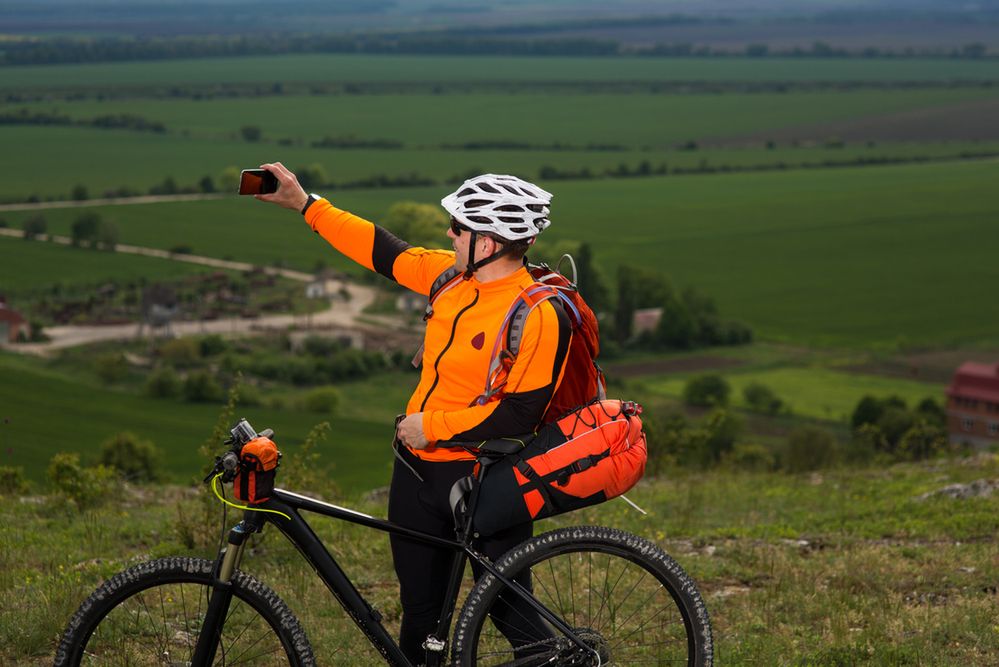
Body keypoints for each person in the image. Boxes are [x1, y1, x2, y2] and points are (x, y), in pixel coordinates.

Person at [257, 163, 572, 664]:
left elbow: (520, 414)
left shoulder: (538, 312)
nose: (449, 234)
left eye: (459, 228)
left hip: (487, 476)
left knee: (508, 607)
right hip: (416, 473)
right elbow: (383, 249)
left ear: (488, 243)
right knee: (420, 611)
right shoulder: (450, 277)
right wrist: (304, 203)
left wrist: (432, 427)